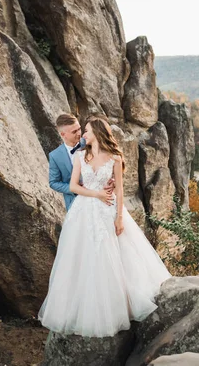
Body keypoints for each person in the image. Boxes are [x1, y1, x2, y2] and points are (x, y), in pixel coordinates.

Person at [39, 116, 171, 337]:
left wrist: (119, 217)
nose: (82, 135)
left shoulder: (115, 158)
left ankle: (119, 302)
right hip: (83, 210)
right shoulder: (81, 154)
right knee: (81, 257)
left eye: (86, 131)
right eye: (79, 132)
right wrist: (96, 193)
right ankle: (81, 306)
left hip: (108, 209)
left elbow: (119, 190)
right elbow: (72, 185)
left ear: (97, 133)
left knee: (114, 253)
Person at [48, 113, 113, 210]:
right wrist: (74, 188)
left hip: (100, 199)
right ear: (63, 134)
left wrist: (111, 180)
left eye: (79, 129)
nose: (79, 133)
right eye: (74, 131)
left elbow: (109, 161)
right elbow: (53, 182)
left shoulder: (90, 142)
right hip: (74, 203)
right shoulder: (55, 156)